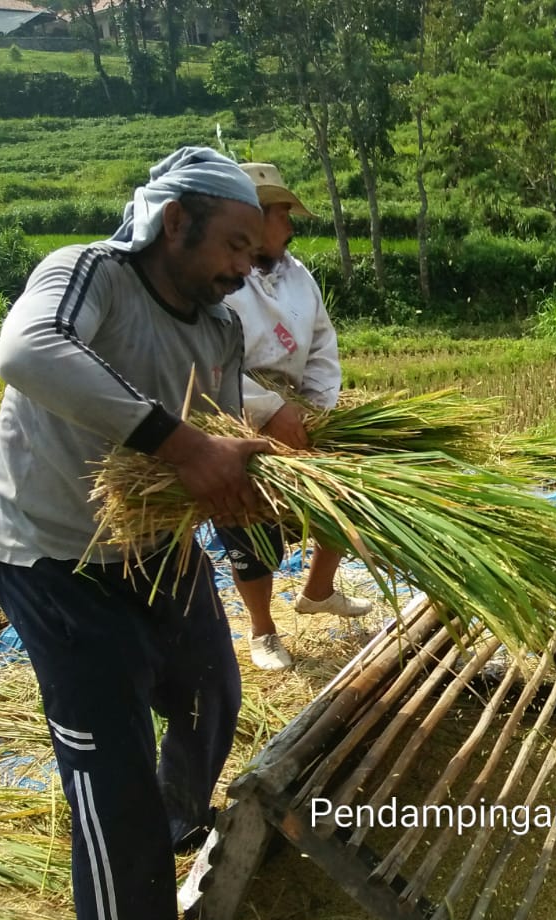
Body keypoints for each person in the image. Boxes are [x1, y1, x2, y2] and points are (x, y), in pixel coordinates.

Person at [0, 147, 269, 920]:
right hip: (53, 557)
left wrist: (262, 490)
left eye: (254, 252)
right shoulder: (91, 273)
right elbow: (27, 353)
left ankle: (174, 823)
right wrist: (179, 445)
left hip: (155, 547)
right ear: (176, 222)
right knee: (114, 787)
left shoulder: (219, 327)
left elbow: (226, 434)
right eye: (235, 245)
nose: (247, 265)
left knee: (210, 697)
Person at [214, 162, 373, 672]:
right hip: (235, 415)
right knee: (250, 525)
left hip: (300, 410)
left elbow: (323, 343)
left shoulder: (298, 276)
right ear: (254, 219)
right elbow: (204, 362)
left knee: (351, 491)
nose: (291, 225)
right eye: (283, 214)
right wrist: (267, 411)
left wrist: (316, 408)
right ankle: (263, 631)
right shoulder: (219, 280)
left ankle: (319, 591)